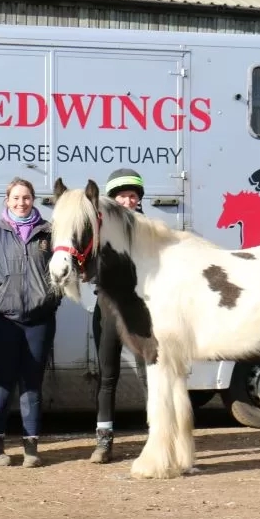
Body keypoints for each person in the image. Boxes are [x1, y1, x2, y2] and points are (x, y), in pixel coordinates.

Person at [0, 177, 61, 468]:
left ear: (33, 200)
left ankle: (31, 448)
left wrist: (52, 296)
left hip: (39, 321)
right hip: (3, 321)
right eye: (16, 198)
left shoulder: (50, 232)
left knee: (32, 384)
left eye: (26, 198)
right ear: (7, 201)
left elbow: (63, 269)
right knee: (3, 383)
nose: (21, 203)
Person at [90, 168, 148, 463]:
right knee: (107, 375)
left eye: (133, 196)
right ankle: (104, 441)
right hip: (109, 308)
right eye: (123, 196)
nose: (128, 200)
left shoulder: (149, 229)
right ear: (112, 199)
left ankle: (156, 436)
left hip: (141, 311)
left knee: (151, 373)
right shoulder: (99, 231)